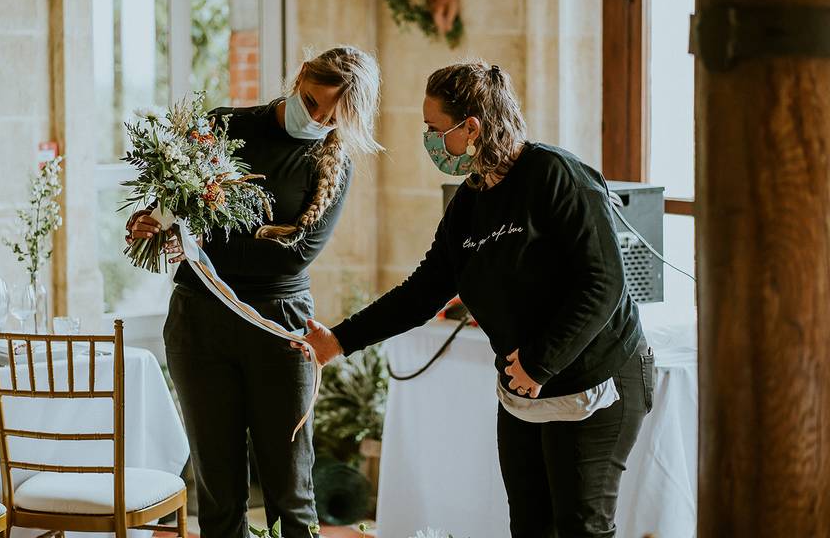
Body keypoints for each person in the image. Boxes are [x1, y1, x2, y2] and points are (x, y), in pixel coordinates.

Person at [299, 61, 655, 538]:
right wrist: (340, 340)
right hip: (523, 387)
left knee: (581, 528)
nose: (428, 141)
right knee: (529, 525)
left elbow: (605, 283)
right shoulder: (470, 200)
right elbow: (424, 290)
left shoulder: (556, 175)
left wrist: (540, 362)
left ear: (471, 128)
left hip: (596, 378)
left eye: (434, 129)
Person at [127, 47, 381, 537]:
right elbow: (177, 209)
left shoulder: (332, 161)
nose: (318, 119)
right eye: (312, 102)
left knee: (291, 492)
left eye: (333, 117)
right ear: (301, 76)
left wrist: (198, 241)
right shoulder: (223, 126)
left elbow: (291, 257)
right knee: (218, 493)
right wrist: (154, 227)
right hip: (198, 323)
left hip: (277, 328)